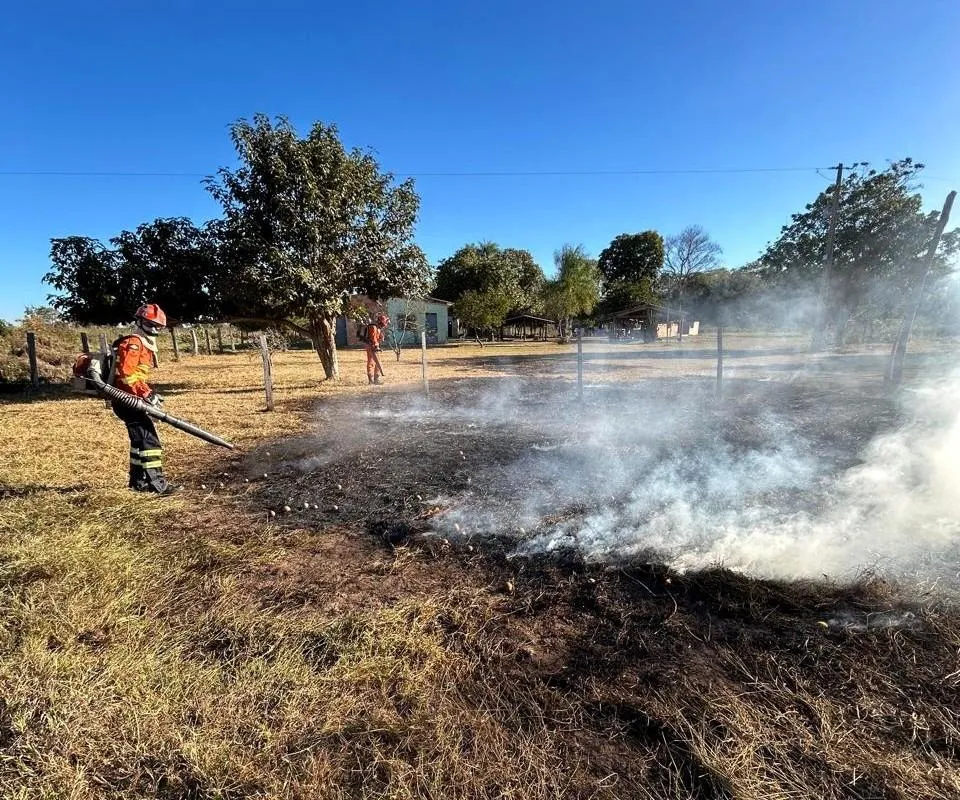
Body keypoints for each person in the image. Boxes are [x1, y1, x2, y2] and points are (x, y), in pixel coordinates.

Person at [111, 303, 176, 495]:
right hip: (126, 400)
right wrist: (146, 393)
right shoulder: (134, 342)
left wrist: (147, 392)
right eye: (151, 324)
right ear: (140, 321)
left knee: (139, 441)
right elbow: (126, 374)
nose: (155, 329)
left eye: (158, 326)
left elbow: (136, 377)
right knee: (149, 442)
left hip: (130, 398)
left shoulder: (143, 343)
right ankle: (158, 485)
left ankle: (138, 482)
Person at [365, 313, 390, 385]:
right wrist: (376, 346)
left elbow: (378, 338)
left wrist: (381, 338)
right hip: (371, 346)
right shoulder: (373, 327)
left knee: (377, 363)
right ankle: (371, 380)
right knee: (371, 362)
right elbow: (373, 338)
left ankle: (377, 379)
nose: (384, 325)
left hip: (375, 346)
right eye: (384, 323)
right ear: (381, 322)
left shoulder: (378, 328)